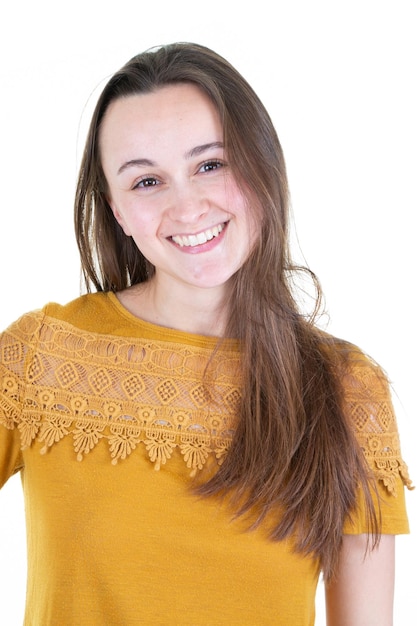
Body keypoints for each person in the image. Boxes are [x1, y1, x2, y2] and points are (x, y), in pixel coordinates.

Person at [0, 42, 412, 626]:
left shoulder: (349, 390)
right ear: (117, 210)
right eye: (146, 182)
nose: (187, 206)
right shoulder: (38, 356)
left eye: (210, 164)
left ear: (261, 165)